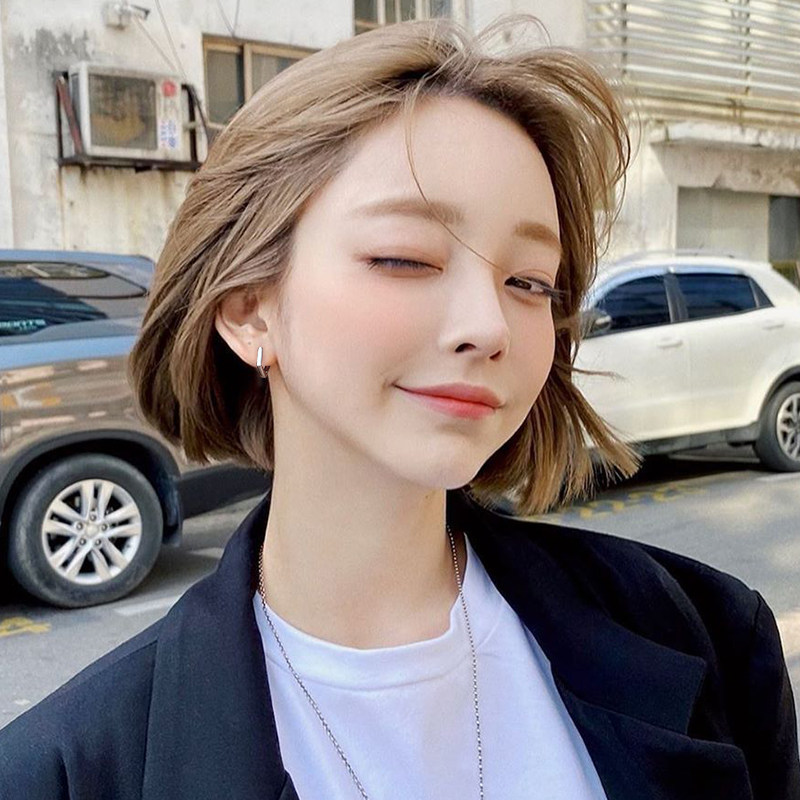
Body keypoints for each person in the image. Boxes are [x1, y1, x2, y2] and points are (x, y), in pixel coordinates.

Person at [1, 14, 798, 800]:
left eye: (529, 282)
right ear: (248, 309)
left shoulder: (708, 634)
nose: (490, 326)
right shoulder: (65, 771)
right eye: (405, 258)